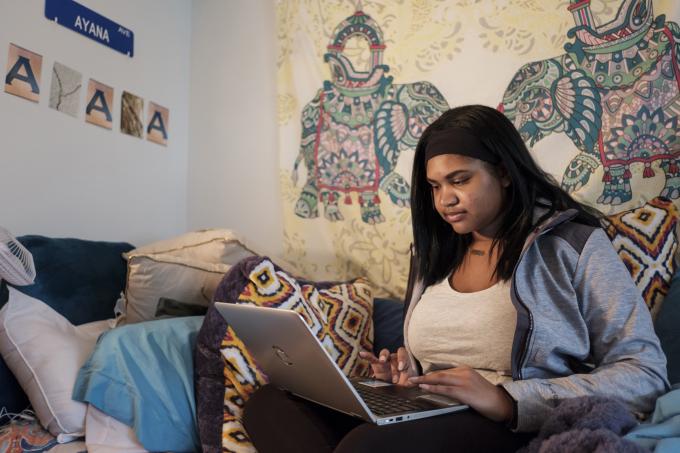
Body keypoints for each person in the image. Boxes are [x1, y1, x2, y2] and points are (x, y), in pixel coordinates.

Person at [242, 105, 669, 452]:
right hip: (426, 408)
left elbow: (645, 374)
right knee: (269, 404)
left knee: (367, 448)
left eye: (459, 180)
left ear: (503, 172)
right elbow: (438, 356)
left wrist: (507, 401)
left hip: (507, 424)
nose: (445, 200)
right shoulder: (435, 255)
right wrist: (407, 371)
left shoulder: (572, 245)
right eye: (434, 186)